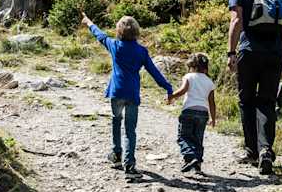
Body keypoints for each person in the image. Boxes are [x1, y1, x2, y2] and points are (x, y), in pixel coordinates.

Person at [80, 12, 174, 181]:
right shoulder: (141, 51)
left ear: (119, 31)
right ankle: (129, 166)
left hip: (116, 92)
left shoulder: (114, 45)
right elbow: (154, 72)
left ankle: (116, 155)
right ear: (136, 31)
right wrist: (167, 87)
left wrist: (88, 22)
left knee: (116, 121)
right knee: (130, 130)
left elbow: (100, 35)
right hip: (132, 94)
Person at [227, 0, 282, 175]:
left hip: (249, 53)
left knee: (246, 101)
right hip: (275, 55)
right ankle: (266, 150)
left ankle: (252, 151)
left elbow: (236, 21)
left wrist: (231, 52)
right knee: (267, 102)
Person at [167, 53, 217, 174]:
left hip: (189, 111)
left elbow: (183, 90)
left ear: (192, 66)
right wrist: (213, 118)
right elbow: (212, 102)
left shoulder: (189, 76)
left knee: (184, 136)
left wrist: (171, 96)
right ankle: (197, 165)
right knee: (198, 139)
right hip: (203, 114)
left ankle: (190, 157)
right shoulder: (209, 82)